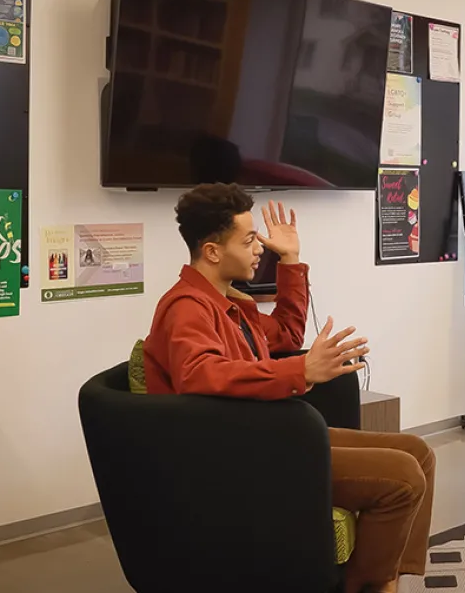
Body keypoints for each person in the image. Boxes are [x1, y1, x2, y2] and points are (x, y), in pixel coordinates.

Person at [143, 183, 434, 593]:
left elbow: (285, 333)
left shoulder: (230, 302)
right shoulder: (186, 307)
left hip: (268, 437)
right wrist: (302, 370)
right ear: (212, 251)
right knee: (403, 477)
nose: (259, 249)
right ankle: (365, 587)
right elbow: (201, 374)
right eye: (249, 240)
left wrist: (291, 261)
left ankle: (384, 580)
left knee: (418, 453)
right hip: (234, 455)